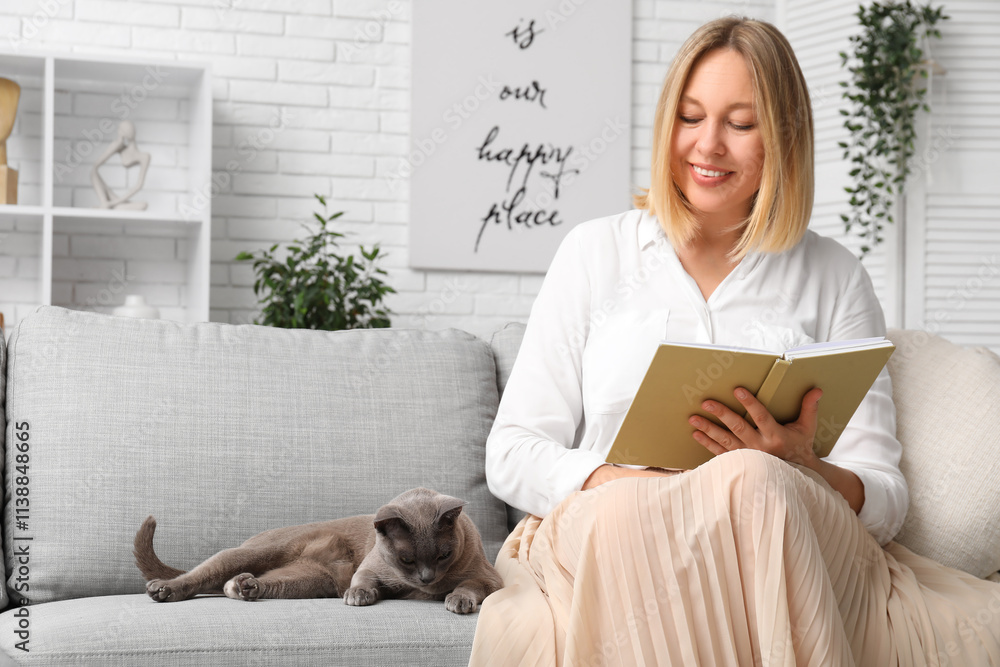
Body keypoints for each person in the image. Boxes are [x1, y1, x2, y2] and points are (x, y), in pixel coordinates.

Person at [470, 16, 1000, 666]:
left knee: (753, 477)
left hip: (776, 523)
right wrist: (607, 477)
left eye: (740, 124)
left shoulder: (834, 276)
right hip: (616, 528)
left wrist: (807, 464)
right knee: (628, 512)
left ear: (784, 137)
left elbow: (885, 496)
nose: (708, 145)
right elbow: (512, 452)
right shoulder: (594, 253)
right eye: (690, 117)